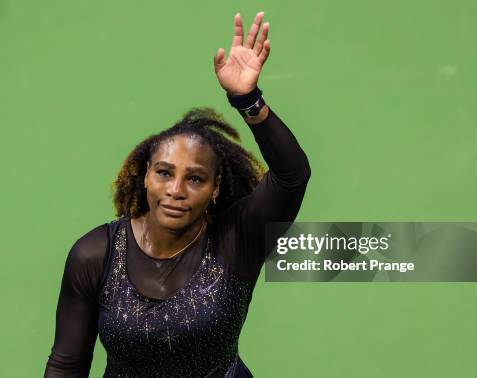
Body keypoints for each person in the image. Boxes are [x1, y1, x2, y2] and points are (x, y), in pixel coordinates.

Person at [44, 11, 311, 377]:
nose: (175, 191)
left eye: (196, 179)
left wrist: (248, 100)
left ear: (215, 189)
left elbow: (292, 175)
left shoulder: (236, 239)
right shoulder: (95, 255)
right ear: (145, 177)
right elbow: (67, 363)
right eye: (164, 173)